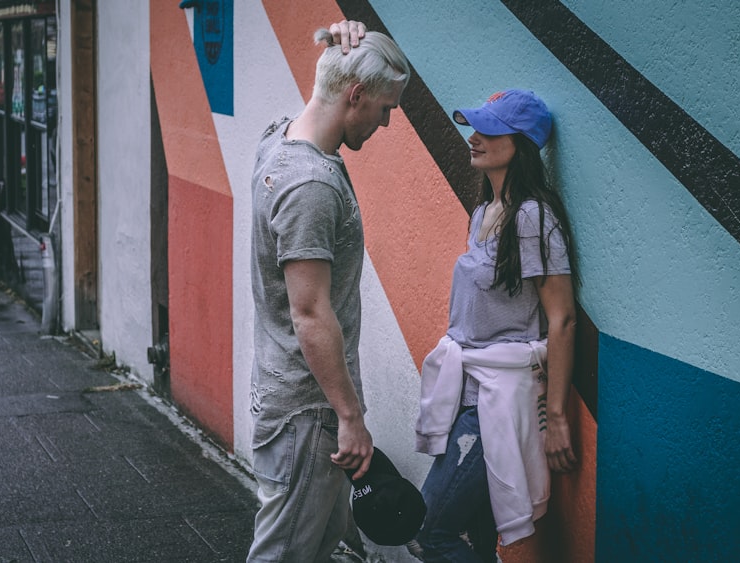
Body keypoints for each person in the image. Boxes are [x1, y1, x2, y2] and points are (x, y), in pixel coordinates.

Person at [246, 20, 411, 563]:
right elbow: (311, 312)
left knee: (315, 546)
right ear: (356, 95)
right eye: (385, 108)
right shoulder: (311, 185)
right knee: (285, 553)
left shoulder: (279, 137)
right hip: (309, 411)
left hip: (295, 398)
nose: (387, 123)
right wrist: (350, 416)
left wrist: (349, 42)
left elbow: (325, 91)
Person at [412, 89, 579, 562]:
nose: (475, 137)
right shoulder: (484, 212)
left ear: (521, 143)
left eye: (490, 129)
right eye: (475, 126)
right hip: (468, 392)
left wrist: (558, 418)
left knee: (430, 531)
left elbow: (562, 318)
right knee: (479, 536)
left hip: (496, 404)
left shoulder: (532, 216)